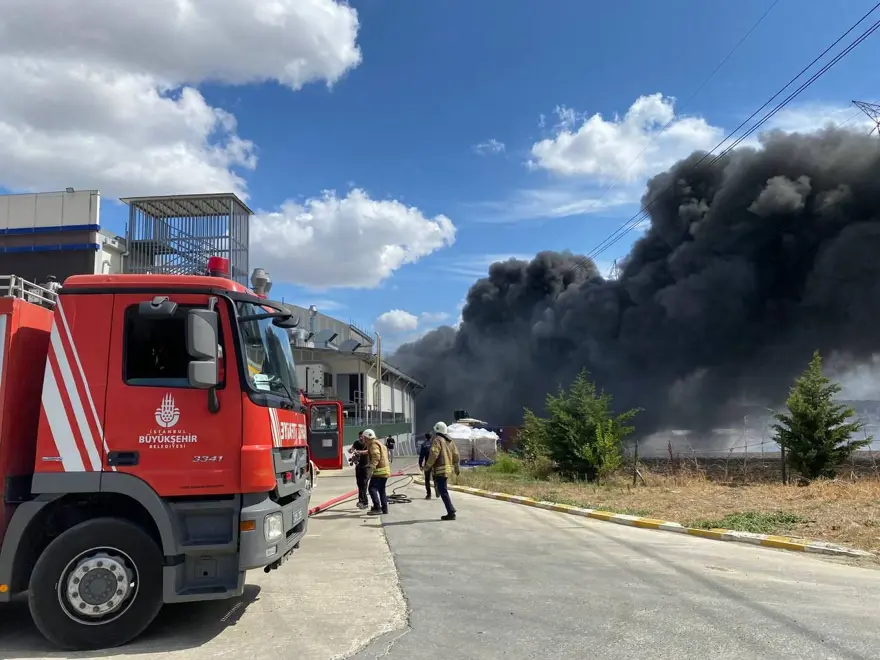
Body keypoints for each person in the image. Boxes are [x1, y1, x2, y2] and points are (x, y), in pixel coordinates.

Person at [423, 421, 461, 521]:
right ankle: (450, 509)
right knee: (443, 489)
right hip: (448, 469)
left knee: (443, 491)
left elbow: (434, 454)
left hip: (440, 469)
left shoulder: (437, 440)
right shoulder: (450, 441)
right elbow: (456, 454)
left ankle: (451, 512)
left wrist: (427, 466)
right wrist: (456, 467)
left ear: (437, 430)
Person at [363, 428, 391, 515]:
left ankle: (377, 508)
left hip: (379, 472)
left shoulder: (373, 444)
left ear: (367, 437)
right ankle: (384, 509)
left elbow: (376, 456)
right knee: (381, 490)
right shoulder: (378, 443)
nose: (364, 440)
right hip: (385, 471)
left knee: (372, 488)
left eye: (364, 438)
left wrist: (371, 468)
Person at [350, 430, 370, 509]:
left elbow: (368, 451)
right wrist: (351, 450)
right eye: (359, 437)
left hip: (366, 467)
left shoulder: (368, 443)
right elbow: (352, 449)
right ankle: (364, 502)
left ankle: (361, 501)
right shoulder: (356, 443)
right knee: (359, 484)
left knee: (364, 484)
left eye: (362, 437)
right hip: (358, 466)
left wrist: (359, 452)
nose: (360, 438)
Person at [418, 432, 433, 499]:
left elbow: (421, 456)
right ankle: (437, 487)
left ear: (425, 437)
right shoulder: (434, 444)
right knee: (436, 477)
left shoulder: (423, 445)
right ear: (431, 437)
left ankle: (428, 494)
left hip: (427, 464)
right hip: (434, 463)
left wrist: (420, 465)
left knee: (427, 480)